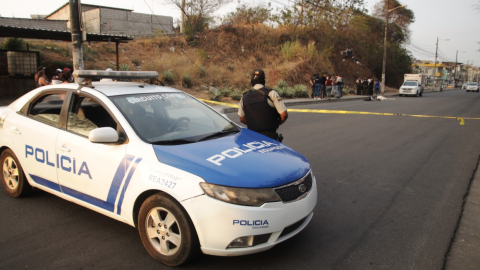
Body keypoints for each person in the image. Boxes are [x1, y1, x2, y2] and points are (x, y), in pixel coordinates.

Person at [238, 69, 288, 141]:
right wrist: (275, 124)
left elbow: (242, 119)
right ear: (264, 79)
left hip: (252, 137)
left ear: (251, 81)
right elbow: (284, 114)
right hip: (270, 136)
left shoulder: (244, 97)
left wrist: (255, 126)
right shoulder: (271, 93)